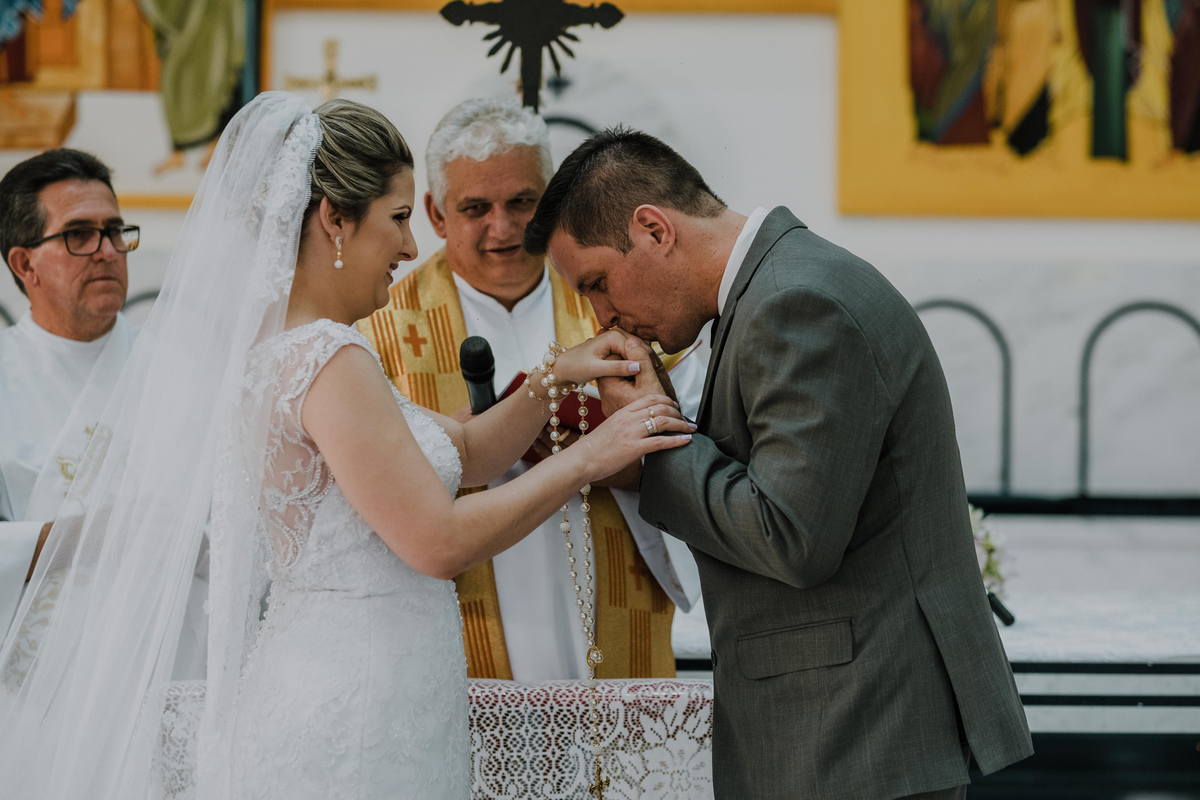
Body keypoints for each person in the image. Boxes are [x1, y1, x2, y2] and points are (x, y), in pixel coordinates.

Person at [0, 94, 690, 799]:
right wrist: (592, 454)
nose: (410, 248)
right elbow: (438, 540)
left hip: (356, 682)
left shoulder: (288, 348)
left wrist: (553, 377)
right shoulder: (328, 359)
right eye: (398, 218)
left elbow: (460, 449)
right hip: (356, 707)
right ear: (334, 218)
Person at [523, 127, 1034, 800]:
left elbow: (790, 537)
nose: (602, 316)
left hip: (857, 737)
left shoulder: (797, 303)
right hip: (841, 728)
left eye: (596, 284)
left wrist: (651, 436)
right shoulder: (775, 290)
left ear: (654, 229)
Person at [358, 97, 705, 681]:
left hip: (610, 588)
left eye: (522, 201)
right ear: (436, 214)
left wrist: (626, 462)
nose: (504, 227)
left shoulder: (620, 300)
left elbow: (702, 437)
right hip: (464, 611)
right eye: (476, 208)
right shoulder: (380, 330)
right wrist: (461, 444)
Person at [0, 150, 139, 634]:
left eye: (115, 231)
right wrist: (72, 539)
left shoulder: (176, 367)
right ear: (25, 264)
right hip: (33, 656)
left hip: (167, 644)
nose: (107, 251)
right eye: (78, 234)